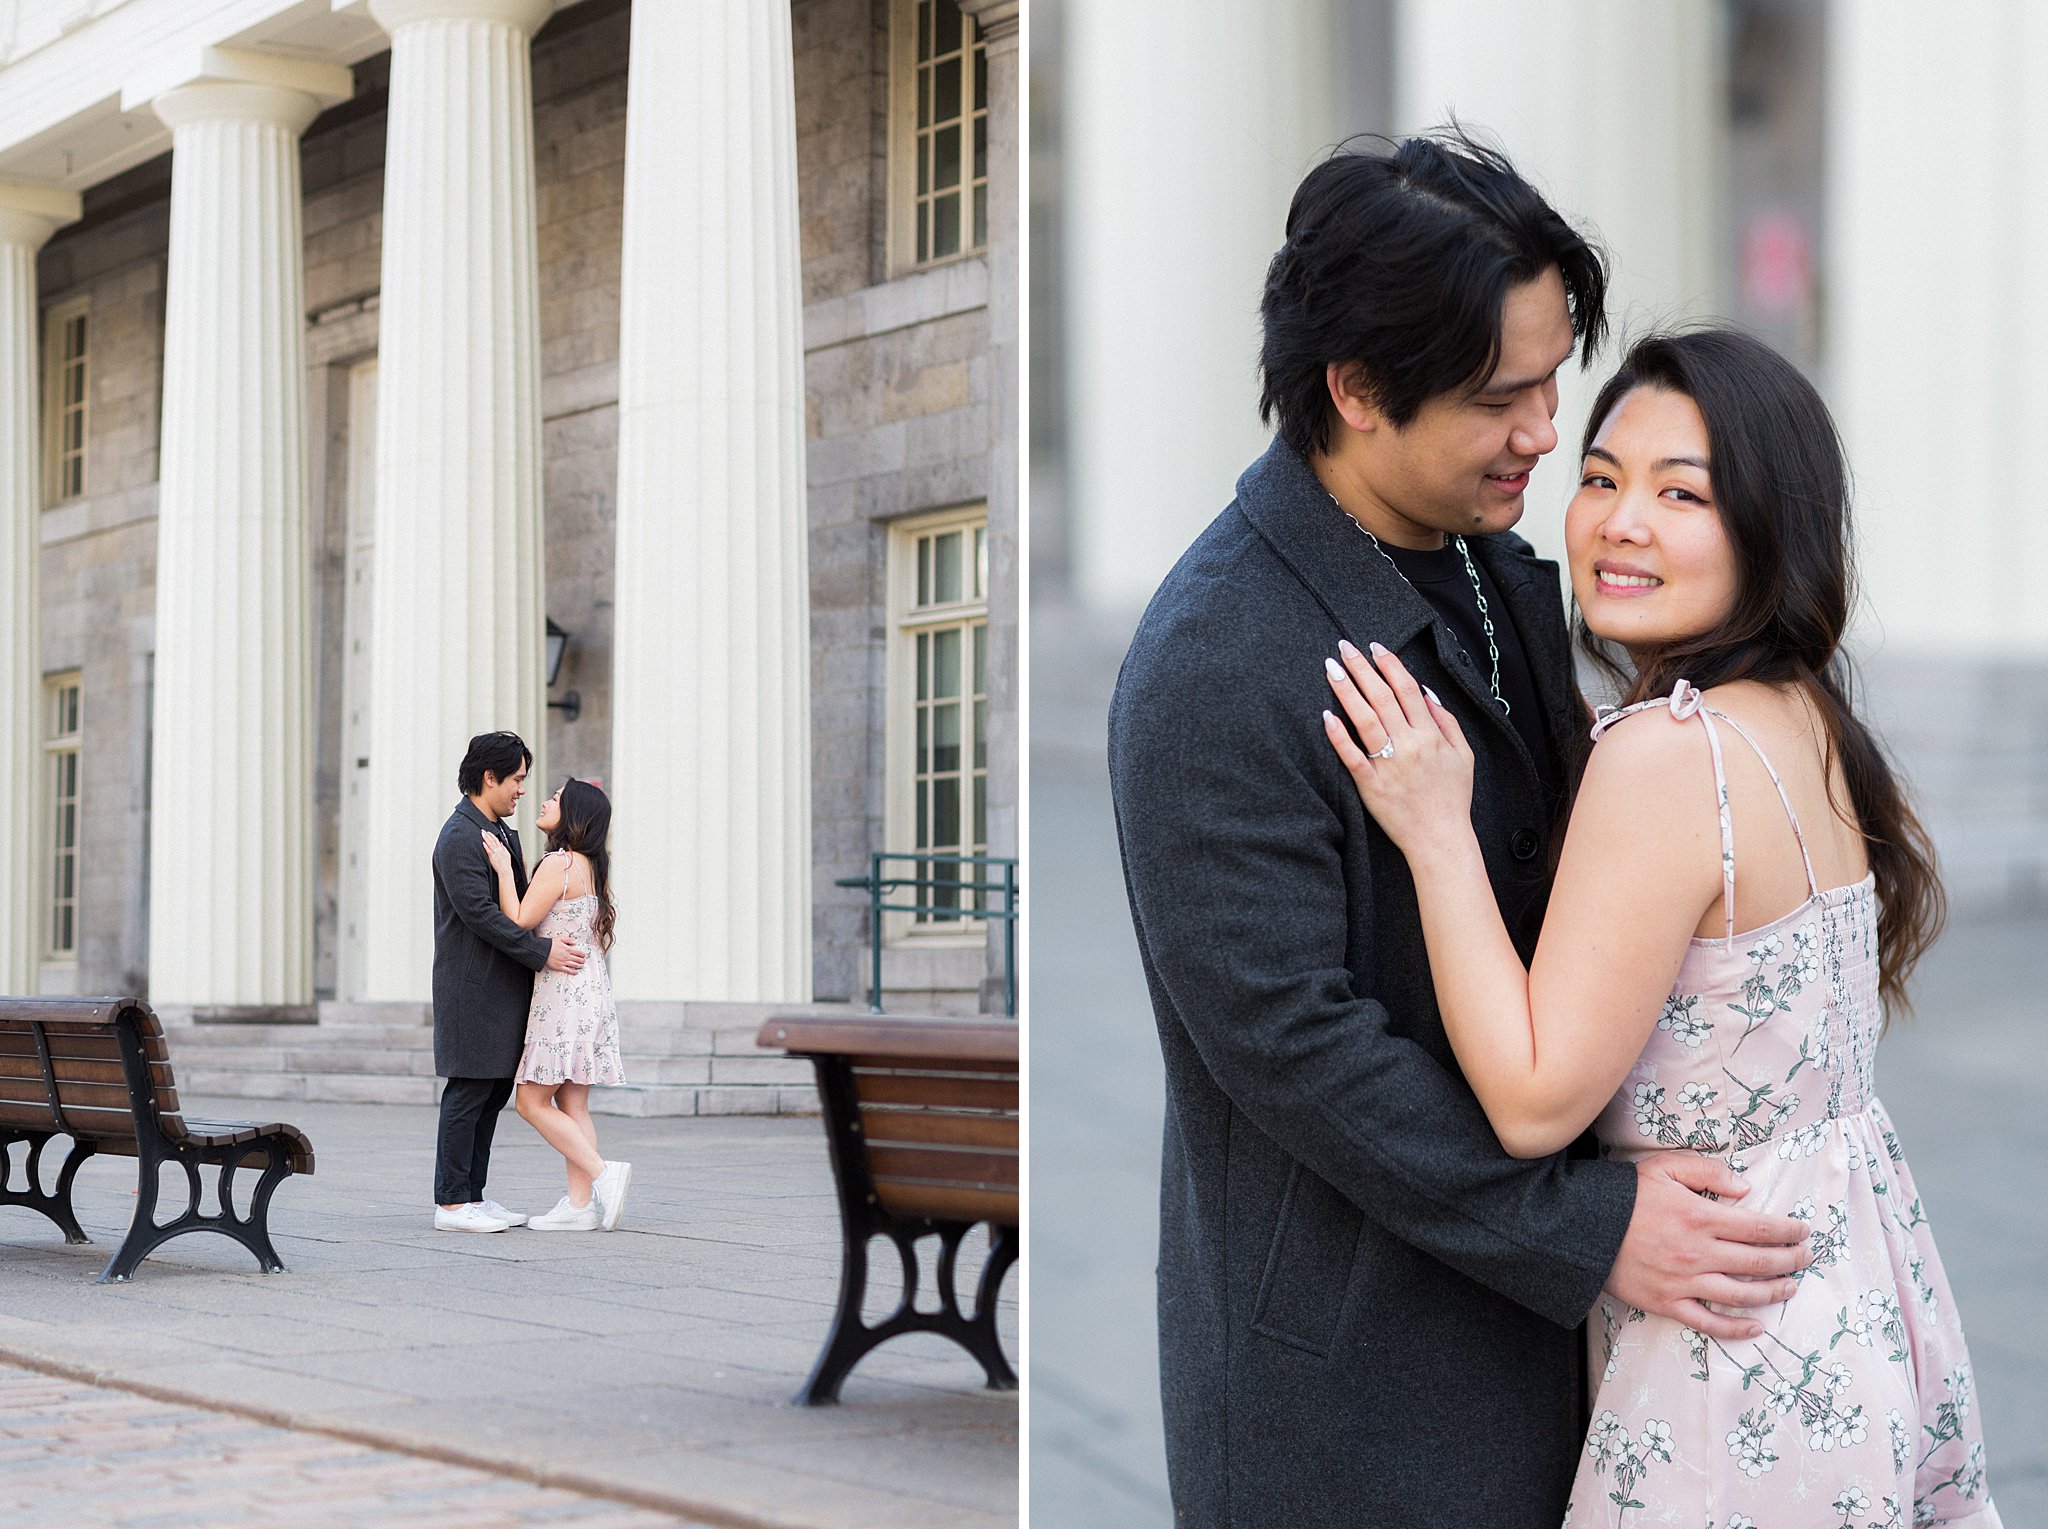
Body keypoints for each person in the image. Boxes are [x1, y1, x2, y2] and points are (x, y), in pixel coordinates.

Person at [1107, 130, 1815, 1528]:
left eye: (1555, 376)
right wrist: (1592, 1225)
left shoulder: (1486, 561)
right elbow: (1299, 1051)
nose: (1548, 431)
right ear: (1356, 390)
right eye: (1504, 397)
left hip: (1543, 1347)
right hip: (1359, 1395)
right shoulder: (1215, 658)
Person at [1322, 328, 2000, 1526]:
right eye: (1599, 477)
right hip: (1843, 1316)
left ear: (1766, 524)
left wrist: (1435, 830)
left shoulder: (1667, 755)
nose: (1617, 520)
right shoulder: (1799, 715)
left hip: (1722, 1365)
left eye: (1678, 492)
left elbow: (1535, 1097)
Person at [430, 731, 587, 1233]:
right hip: (471, 989)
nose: (522, 789)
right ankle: (452, 1204)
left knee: (492, 1091)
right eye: (516, 779)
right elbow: (481, 915)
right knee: (468, 1090)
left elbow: (515, 905)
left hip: (502, 987)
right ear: (488, 777)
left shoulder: (499, 831)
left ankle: (472, 1195)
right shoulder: (459, 836)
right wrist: (542, 953)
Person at [482, 777, 631, 1232]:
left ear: (574, 817)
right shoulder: (588, 865)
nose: (545, 801)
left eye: (556, 799)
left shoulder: (558, 863)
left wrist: (506, 871)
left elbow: (521, 921)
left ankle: (605, 1175)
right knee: (574, 1104)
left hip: (563, 996)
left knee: (529, 1101)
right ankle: (579, 1206)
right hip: (590, 991)